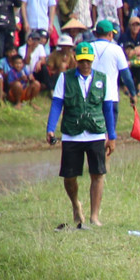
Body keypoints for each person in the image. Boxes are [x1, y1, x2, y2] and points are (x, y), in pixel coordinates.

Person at [45, 42, 116, 229]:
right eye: (82, 60)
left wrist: (112, 135)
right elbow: (57, 104)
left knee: (98, 174)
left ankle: (94, 216)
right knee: (69, 177)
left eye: (88, 61)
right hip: (72, 134)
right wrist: (50, 128)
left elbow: (108, 108)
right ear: (76, 59)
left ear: (93, 61)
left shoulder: (103, 79)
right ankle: (76, 204)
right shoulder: (65, 78)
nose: (85, 64)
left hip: (96, 133)